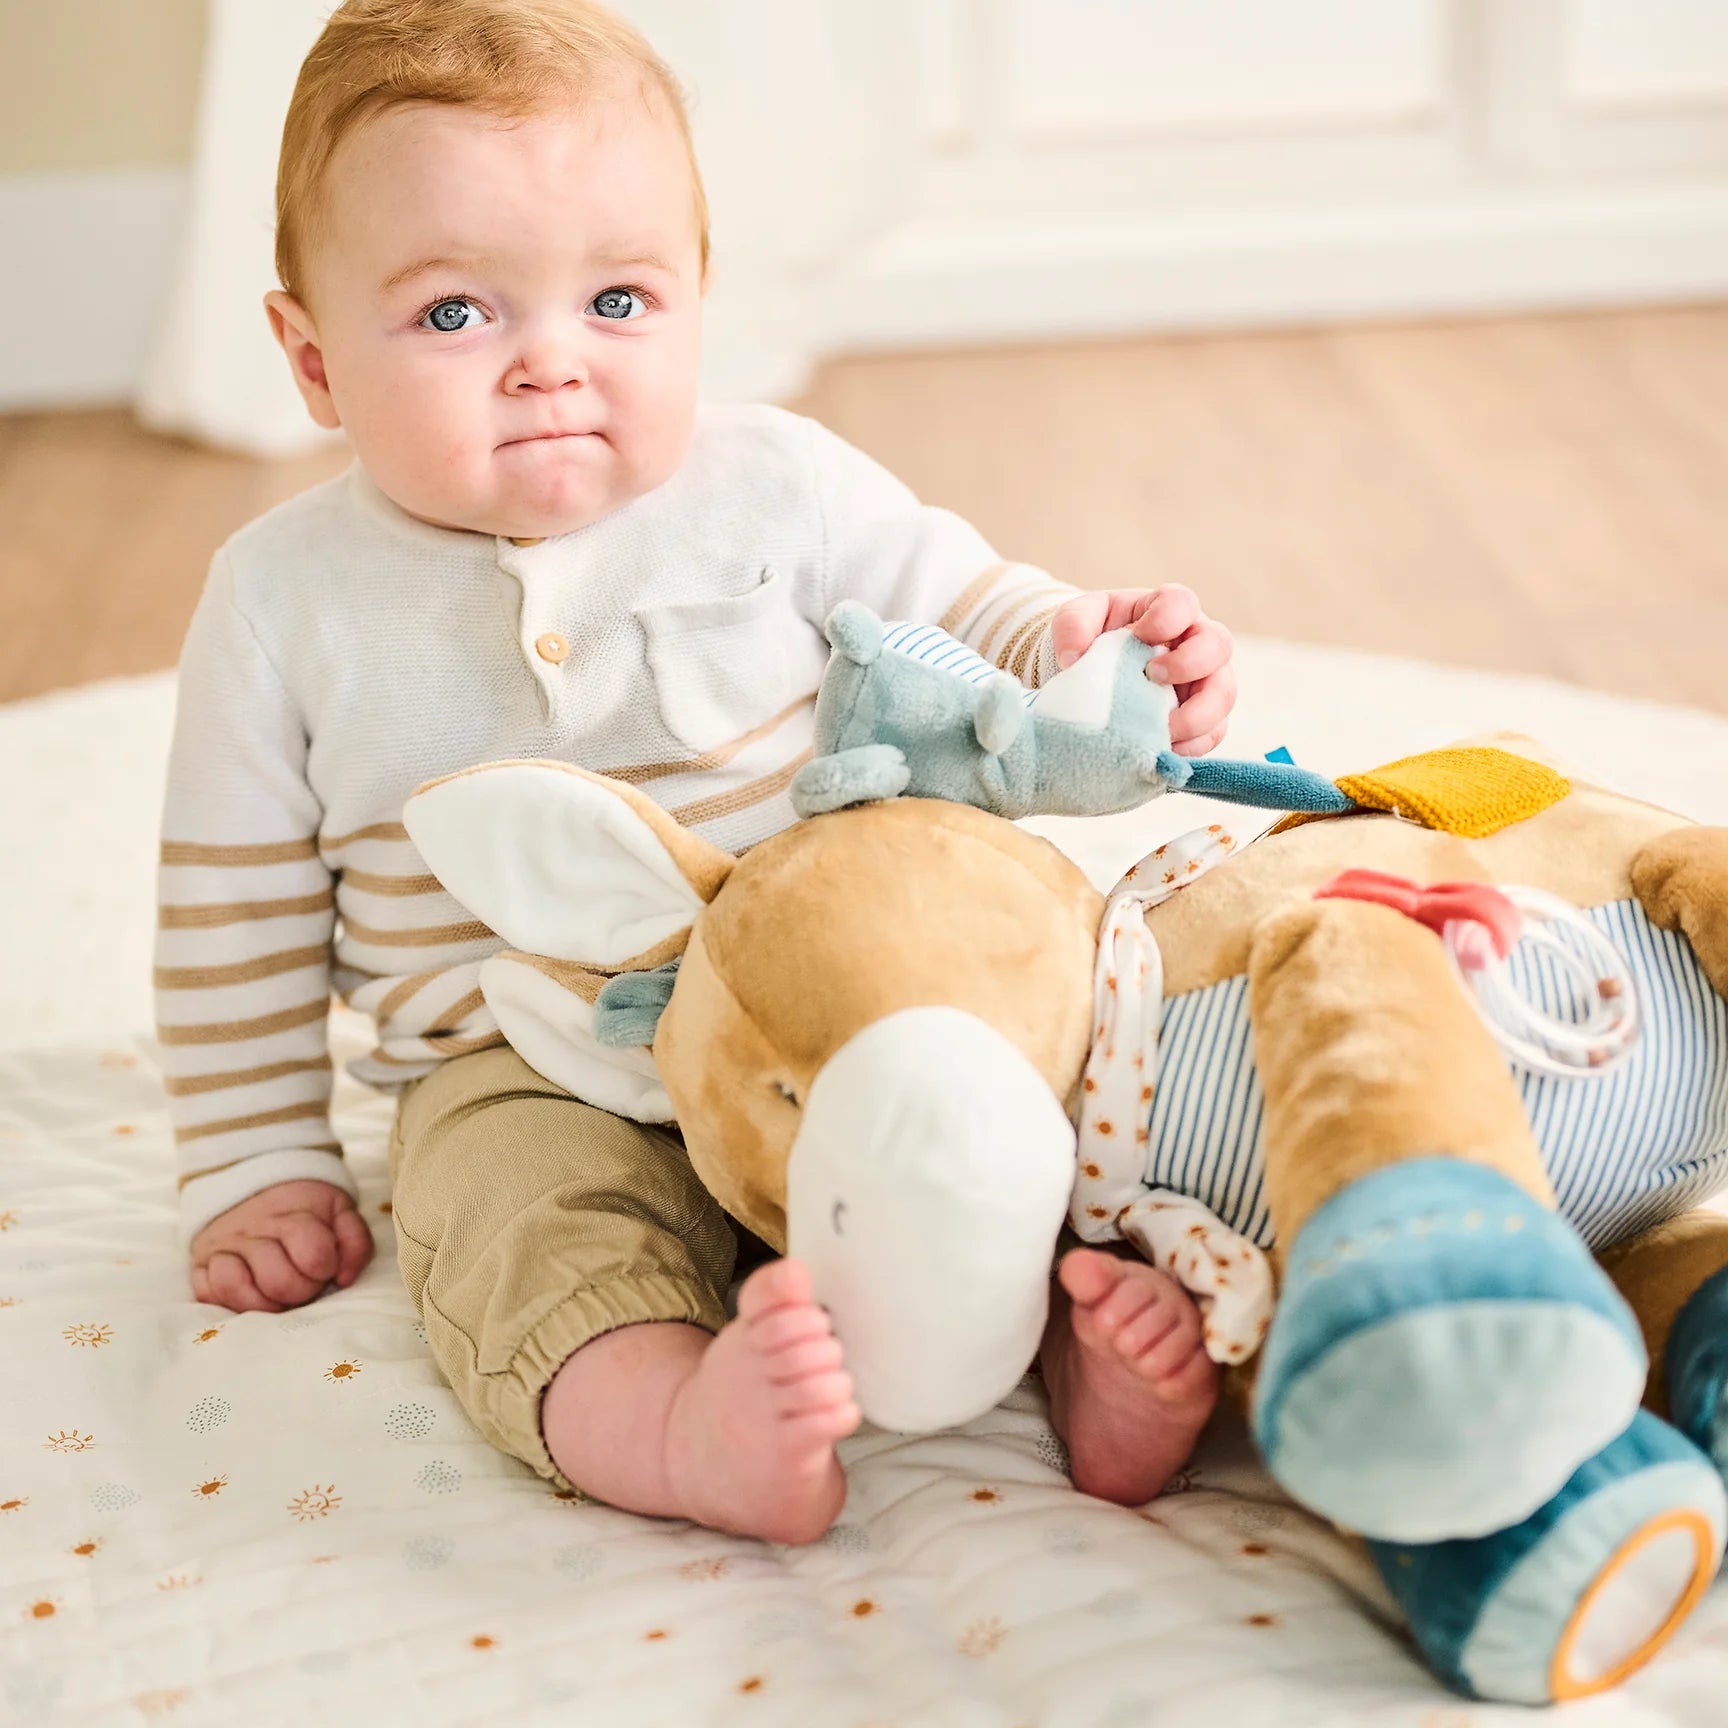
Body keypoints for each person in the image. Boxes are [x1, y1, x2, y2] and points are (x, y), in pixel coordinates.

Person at [156, 0, 1238, 1544]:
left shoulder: (778, 482)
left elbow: (957, 606)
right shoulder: (281, 602)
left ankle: (1083, 1354)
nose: (550, 365)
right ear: (312, 357)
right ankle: (676, 1419)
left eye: (617, 298)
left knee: (1002, 1102)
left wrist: (1092, 646)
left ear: (700, 302)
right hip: (523, 1058)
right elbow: (232, 916)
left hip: (824, 993)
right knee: (517, 1225)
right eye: (456, 315)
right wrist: (253, 1160)